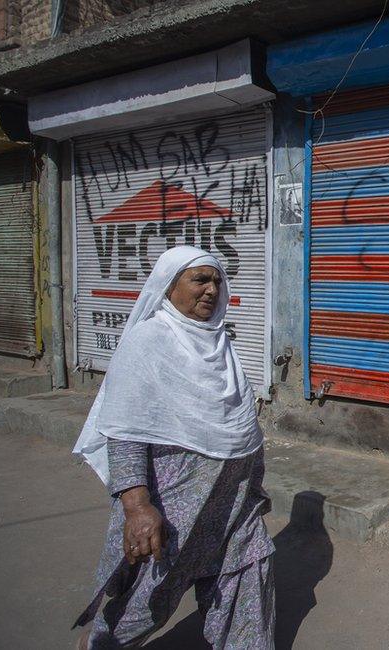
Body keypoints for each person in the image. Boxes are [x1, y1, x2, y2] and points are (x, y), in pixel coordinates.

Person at [72, 245, 275, 649]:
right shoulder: (147, 342)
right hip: (175, 507)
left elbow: (239, 428)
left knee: (248, 584)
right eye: (199, 279)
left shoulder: (221, 346)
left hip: (234, 506)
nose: (212, 290)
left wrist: (253, 487)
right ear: (169, 287)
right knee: (143, 607)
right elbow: (125, 429)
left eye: (217, 280)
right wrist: (137, 507)